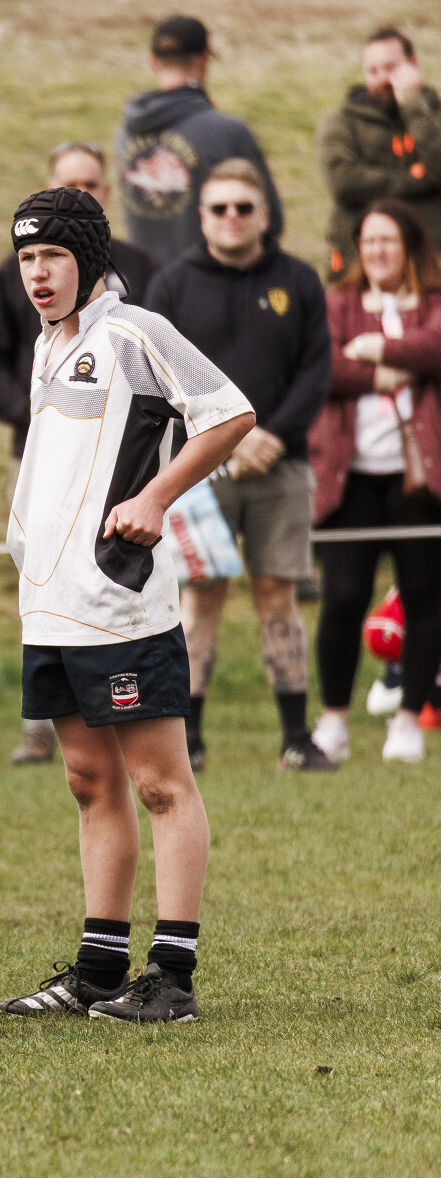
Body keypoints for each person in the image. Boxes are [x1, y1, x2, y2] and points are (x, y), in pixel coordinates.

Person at [0, 188, 256, 1027]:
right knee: (87, 781)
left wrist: (156, 498)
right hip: (51, 607)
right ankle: (98, 969)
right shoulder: (48, 346)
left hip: (120, 603)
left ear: (90, 259)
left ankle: (171, 975)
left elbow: (230, 414)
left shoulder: (134, 333)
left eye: (53, 256)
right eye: (26, 258)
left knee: (160, 784)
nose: (38, 273)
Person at [0, 140, 159, 765]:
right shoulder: (15, 274)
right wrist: (39, 414)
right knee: (42, 575)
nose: (39, 270)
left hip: (125, 469)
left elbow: (175, 376)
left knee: (112, 574)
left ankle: (132, 713)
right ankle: (42, 725)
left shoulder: (140, 269)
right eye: (68, 185)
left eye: (92, 185)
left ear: (108, 193)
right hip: (38, 456)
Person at [143, 159, 331, 772]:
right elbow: (157, 378)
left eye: (243, 208)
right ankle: (189, 740)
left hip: (281, 465)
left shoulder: (299, 281)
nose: (232, 217)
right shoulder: (171, 286)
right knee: (201, 598)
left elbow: (316, 371)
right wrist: (224, 443)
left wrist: (271, 436)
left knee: (278, 595)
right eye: (219, 208)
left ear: (264, 215)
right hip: (199, 471)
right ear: (201, 216)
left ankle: (296, 739)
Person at [311, 199, 441, 764]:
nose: (378, 251)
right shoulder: (338, 302)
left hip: (420, 480)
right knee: (342, 597)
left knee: (425, 596)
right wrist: (387, 373)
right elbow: (324, 365)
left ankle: (409, 720)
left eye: (388, 240)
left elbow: (436, 346)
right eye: (369, 241)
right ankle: (334, 720)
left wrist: (376, 347)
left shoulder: (433, 301)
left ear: (410, 246)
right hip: (352, 477)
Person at [113, 15, 284, 271]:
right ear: (204, 60)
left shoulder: (125, 132)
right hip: (208, 282)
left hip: (143, 285)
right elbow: (270, 220)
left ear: (152, 62)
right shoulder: (227, 132)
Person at [315, 28, 441, 283]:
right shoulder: (341, 122)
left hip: (430, 267)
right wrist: (420, 180)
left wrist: (415, 109)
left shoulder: (434, 118)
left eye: (391, 68)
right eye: (373, 71)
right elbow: (344, 183)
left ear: (413, 65)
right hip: (358, 269)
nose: (382, 78)